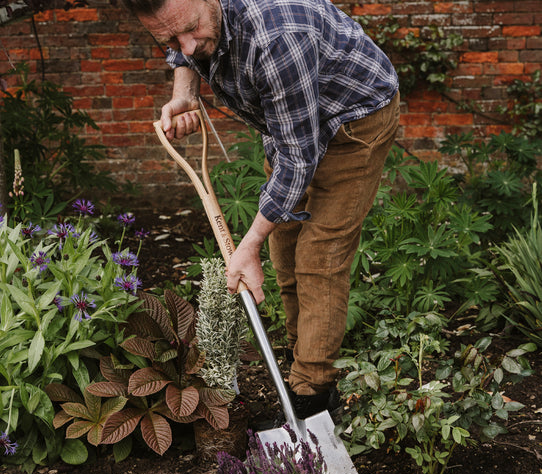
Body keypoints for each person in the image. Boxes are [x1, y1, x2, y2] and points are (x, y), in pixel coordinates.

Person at [122, 0, 400, 418]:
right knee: (284, 248)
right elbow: (183, 45)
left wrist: (247, 243)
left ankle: (312, 396)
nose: (188, 46)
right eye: (169, 38)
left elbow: (297, 159)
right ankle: (302, 355)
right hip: (290, 125)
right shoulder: (189, 22)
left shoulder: (277, 38)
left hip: (353, 120)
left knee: (318, 257)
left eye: (192, 29)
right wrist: (184, 93)